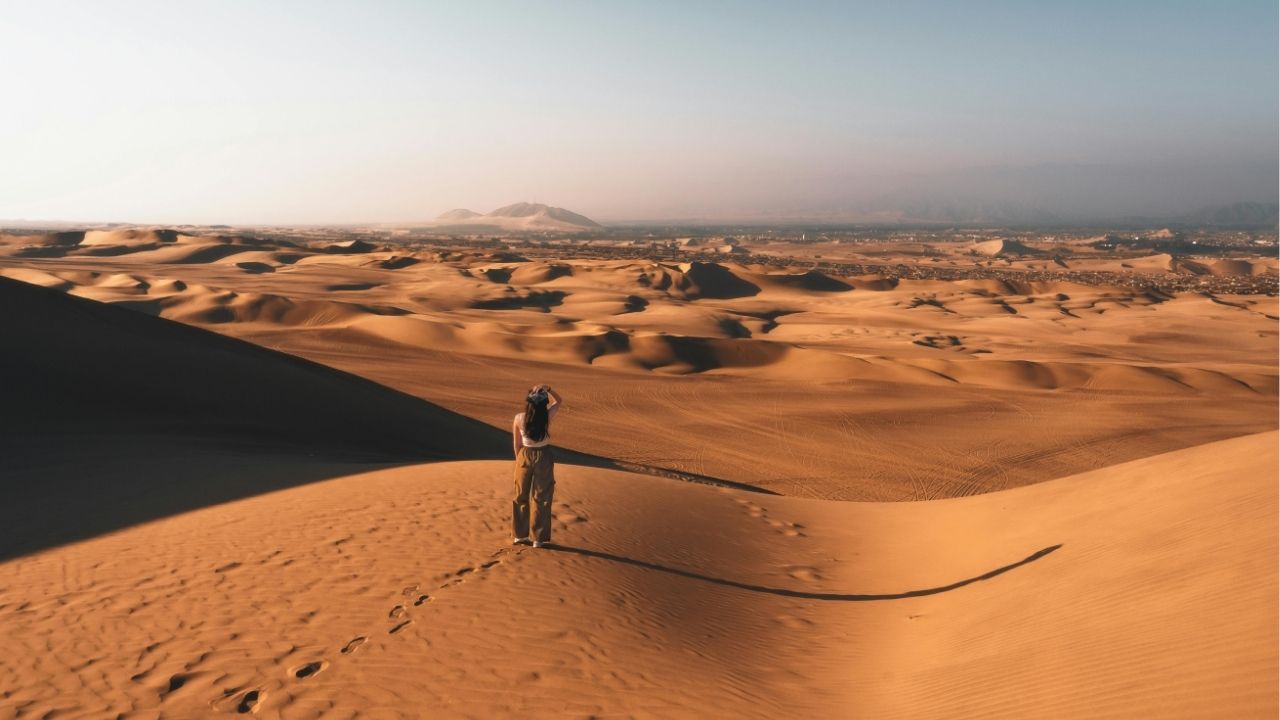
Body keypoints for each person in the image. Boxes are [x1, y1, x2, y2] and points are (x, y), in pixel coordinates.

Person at [512, 384, 561, 548]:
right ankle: (538, 539)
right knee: (542, 497)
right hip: (544, 456)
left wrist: (518, 462)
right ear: (542, 404)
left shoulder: (519, 418)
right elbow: (559, 401)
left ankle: (520, 536)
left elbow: (516, 443)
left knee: (520, 495)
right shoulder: (546, 416)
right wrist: (548, 389)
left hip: (524, 455)